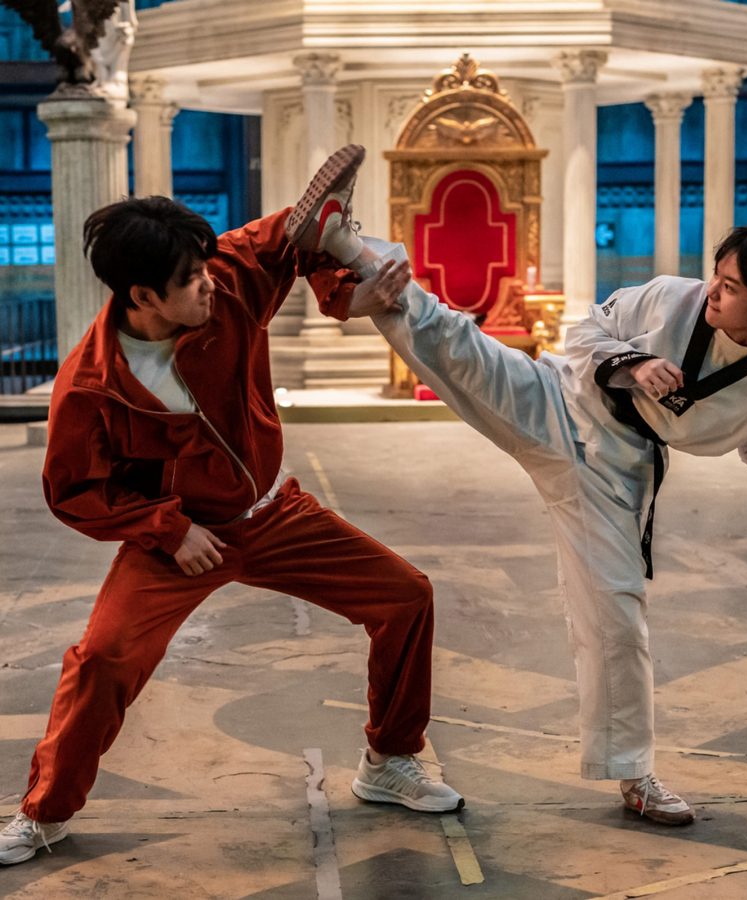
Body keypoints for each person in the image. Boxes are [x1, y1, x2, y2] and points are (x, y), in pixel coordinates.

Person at [297, 146, 747, 826]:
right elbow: (589, 332)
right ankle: (343, 238)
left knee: (616, 616)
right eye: (718, 275)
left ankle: (634, 774)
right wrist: (634, 365)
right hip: (561, 401)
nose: (712, 291)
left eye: (730, 288)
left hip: (618, 474)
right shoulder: (675, 297)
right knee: (456, 342)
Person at [0, 145, 462, 868]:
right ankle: (43, 812)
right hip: (182, 541)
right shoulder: (90, 386)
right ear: (141, 297)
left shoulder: (226, 278)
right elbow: (73, 493)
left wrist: (348, 295)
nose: (210, 285)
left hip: (275, 513)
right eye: (189, 281)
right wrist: (168, 528)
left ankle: (389, 762)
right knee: (101, 661)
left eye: (207, 267)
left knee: (406, 598)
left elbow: (299, 230)